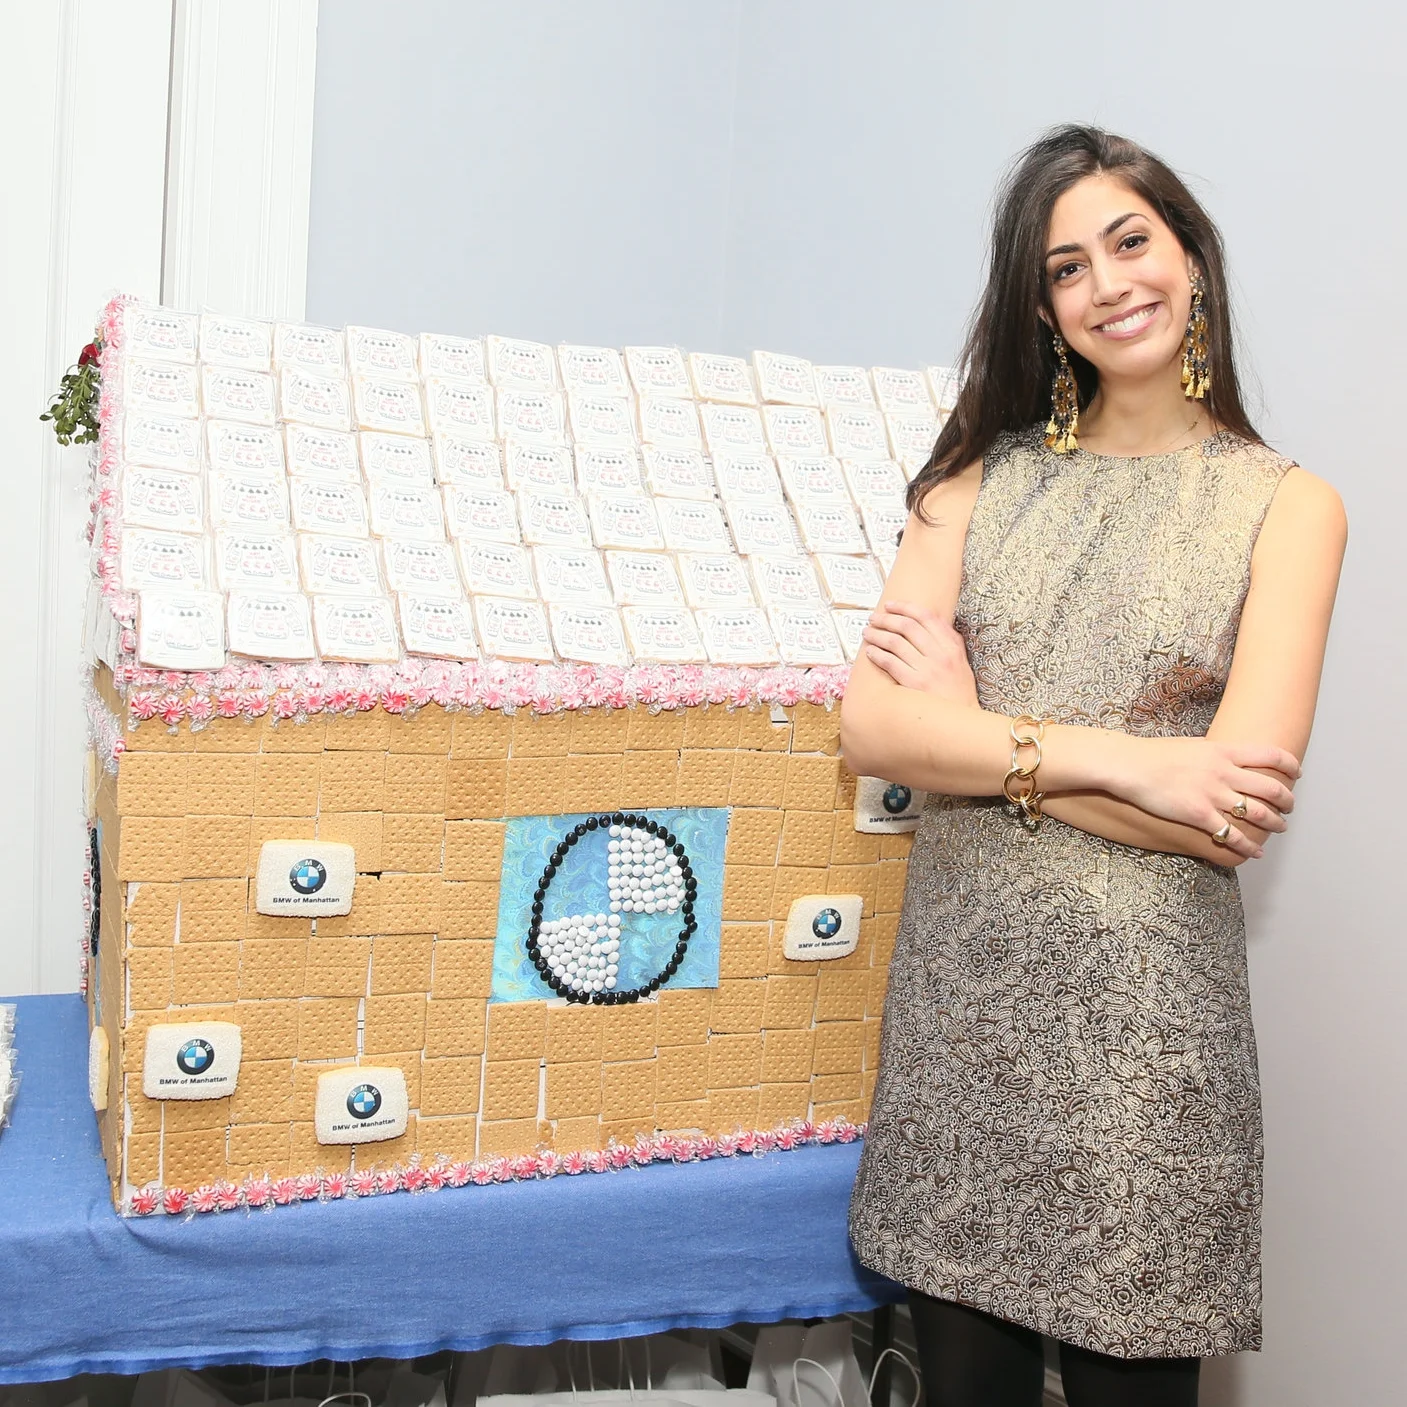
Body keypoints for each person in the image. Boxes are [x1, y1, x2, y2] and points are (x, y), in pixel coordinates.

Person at [843, 125, 1347, 1407]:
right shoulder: (967, 486)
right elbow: (875, 734)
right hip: (967, 1024)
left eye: (1133, 242)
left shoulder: (1288, 507)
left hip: (1148, 1042)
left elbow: (1226, 817)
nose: (1111, 283)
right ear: (1043, 307)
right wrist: (1136, 767)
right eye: (1069, 267)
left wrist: (979, 743)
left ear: (1191, 258)